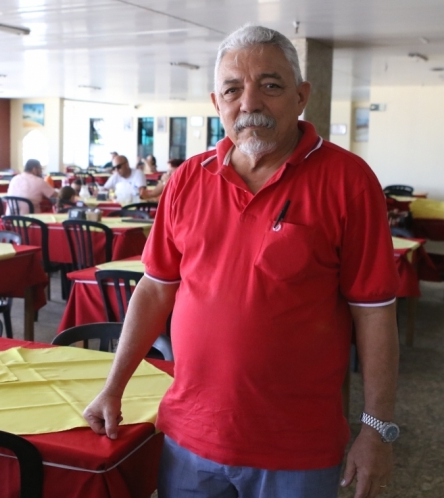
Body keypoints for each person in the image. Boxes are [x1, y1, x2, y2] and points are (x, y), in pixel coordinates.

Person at [83, 24, 399, 498]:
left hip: (296, 449)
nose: (249, 103)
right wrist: (113, 387)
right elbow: (153, 289)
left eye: (270, 85)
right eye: (233, 89)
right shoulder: (188, 179)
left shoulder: (349, 181)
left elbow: (374, 314)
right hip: (190, 437)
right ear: (218, 103)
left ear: (300, 96)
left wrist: (376, 429)